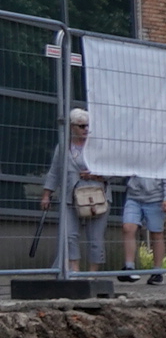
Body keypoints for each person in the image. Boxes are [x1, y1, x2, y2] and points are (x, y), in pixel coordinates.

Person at [39, 108, 107, 274]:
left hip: (96, 196)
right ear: (72, 127)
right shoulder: (63, 146)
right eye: (81, 126)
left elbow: (114, 171)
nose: (86, 129)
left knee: (95, 238)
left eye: (88, 126)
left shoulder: (98, 146)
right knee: (70, 235)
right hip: (71, 195)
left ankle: (93, 274)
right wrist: (47, 194)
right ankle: (74, 270)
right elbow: (55, 171)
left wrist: (96, 175)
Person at [117, 165, 166, 284]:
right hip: (133, 197)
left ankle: (157, 271)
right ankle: (129, 267)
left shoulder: (162, 158)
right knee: (128, 227)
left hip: (156, 199)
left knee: (156, 234)